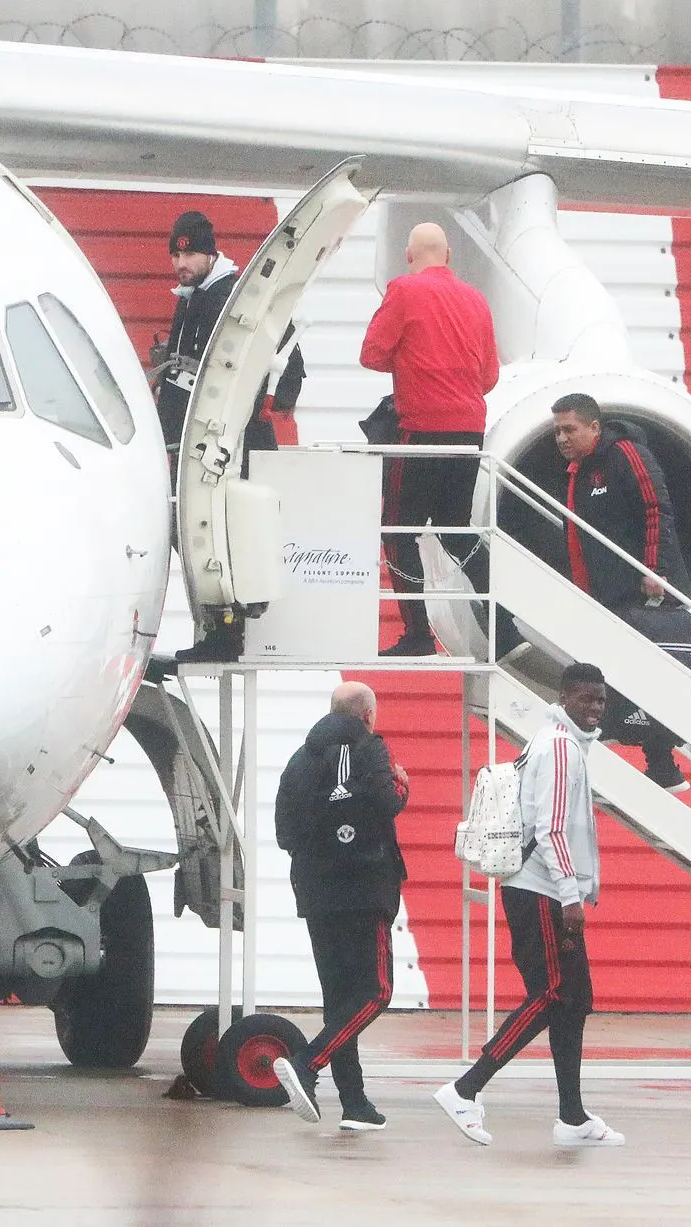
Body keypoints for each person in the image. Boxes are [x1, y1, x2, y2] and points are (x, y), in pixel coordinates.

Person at [433, 662, 625, 1148]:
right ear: (564, 697)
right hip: (542, 889)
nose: (595, 708)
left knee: (574, 999)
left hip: (538, 887)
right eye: (586, 698)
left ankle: (573, 1118)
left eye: (601, 700)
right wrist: (570, 896)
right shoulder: (560, 747)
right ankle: (464, 1088)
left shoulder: (556, 741)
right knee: (554, 992)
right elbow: (551, 828)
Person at [158, 209, 304, 663]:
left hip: (228, 443)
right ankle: (216, 632)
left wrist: (262, 407)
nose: (181, 264)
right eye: (176, 256)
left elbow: (285, 351)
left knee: (218, 533)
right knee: (199, 532)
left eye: (190, 254)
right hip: (198, 442)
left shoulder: (229, 297)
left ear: (209, 252)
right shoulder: (195, 296)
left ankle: (227, 634)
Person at [271, 680, 408, 1131]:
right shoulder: (371, 748)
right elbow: (387, 802)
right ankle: (307, 1065)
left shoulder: (298, 761)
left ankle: (355, 1104)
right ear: (368, 714)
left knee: (340, 1000)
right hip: (365, 891)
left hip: (315, 893)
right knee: (376, 992)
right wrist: (401, 787)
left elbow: (284, 834)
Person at [360, 221, 500, 658]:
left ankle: (418, 634)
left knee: (400, 531)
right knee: (455, 530)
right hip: (468, 428)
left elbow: (372, 353)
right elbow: (490, 376)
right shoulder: (476, 300)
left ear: (409, 256)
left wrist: (412, 364)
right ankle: (504, 617)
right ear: (449, 257)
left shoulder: (404, 290)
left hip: (420, 430)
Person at [551, 391, 691, 791]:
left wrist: (655, 568)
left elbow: (655, 508)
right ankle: (658, 761)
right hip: (604, 591)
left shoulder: (625, 454)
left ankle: (661, 760)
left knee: (645, 671)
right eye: (557, 431)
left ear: (594, 427)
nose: (561, 438)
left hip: (640, 589)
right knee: (615, 669)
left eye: (569, 429)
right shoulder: (578, 470)